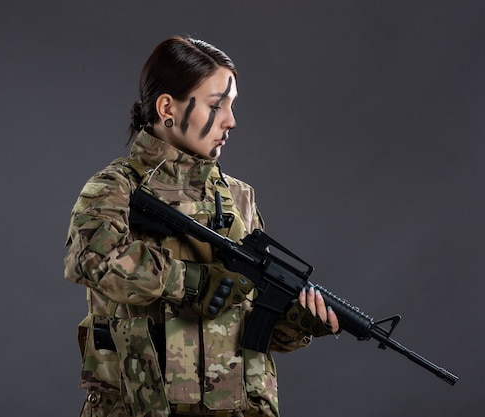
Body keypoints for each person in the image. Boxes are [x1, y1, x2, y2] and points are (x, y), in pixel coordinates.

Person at [64, 35, 340, 417]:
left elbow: (253, 327)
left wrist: (299, 320)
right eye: (216, 104)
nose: (231, 120)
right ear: (167, 108)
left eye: (232, 104)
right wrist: (193, 282)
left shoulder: (238, 197)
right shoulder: (115, 189)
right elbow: (92, 260)